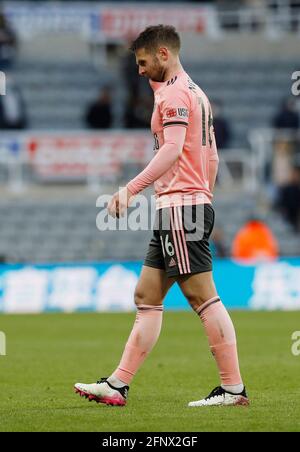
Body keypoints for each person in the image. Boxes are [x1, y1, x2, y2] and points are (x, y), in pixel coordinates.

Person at [75, 25, 249, 408]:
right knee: (147, 295)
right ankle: (118, 384)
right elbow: (213, 155)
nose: (138, 70)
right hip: (183, 204)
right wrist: (204, 193)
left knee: (201, 296)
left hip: (180, 207)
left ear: (163, 55)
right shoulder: (197, 94)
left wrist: (130, 189)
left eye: (142, 62)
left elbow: (171, 151)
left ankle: (233, 389)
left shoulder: (172, 95)